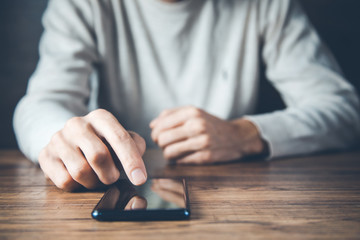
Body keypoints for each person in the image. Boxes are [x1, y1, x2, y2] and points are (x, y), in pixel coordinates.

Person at [13, 0, 360, 191]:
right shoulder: (80, 5)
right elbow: (40, 102)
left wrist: (246, 133)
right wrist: (61, 140)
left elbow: (344, 111)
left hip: (233, 198)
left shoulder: (268, 5)